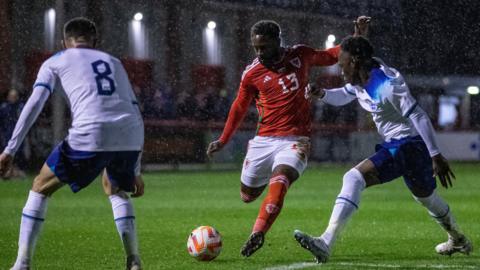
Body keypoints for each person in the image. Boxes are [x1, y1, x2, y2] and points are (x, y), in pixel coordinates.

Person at [294, 36, 473, 263]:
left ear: (356, 61)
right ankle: (457, 238)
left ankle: (326, 242)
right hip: (405, 145)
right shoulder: (359, 80)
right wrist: (322, 94)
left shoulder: (387, 85)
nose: (340, 70)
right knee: (426, 197)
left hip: (407, 143)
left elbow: (417, 114)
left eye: (342, 64)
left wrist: (435, 154)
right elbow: (346, 94)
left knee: (353, 178)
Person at [206, 17, 370, 257]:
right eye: (256, 48)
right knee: (247, 195)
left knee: (281, 179)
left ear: (277, 41)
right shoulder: (251, 73)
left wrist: (357, 37)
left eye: (265, 47)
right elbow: (239, 107)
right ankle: (264, 189)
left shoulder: (300, 55)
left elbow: (333, 55)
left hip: (296, 140)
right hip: (263, 141)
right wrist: (224, 139)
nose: (260, 52)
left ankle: (258, 232)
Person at [0, 17, 145, 270]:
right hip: (129, 132)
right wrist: (136, 169)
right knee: (114, 188)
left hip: (92, 130)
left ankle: (21, 264)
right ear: (95, 41)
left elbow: (34, 104)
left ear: (64, 42)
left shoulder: (56, 60)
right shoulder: (114, 62)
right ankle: (134, 261)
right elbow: (135, 109)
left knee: (40, 186)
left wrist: (10, 149)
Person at [0, 89, 27, 178]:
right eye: (11, 96)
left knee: (18, 155)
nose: (13, 99)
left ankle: (16, 172)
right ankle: (7, 172)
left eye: (14, 97)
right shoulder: (4, 108)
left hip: (18, 136)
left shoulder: (21, 107)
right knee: (7, 153)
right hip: (6, 136)